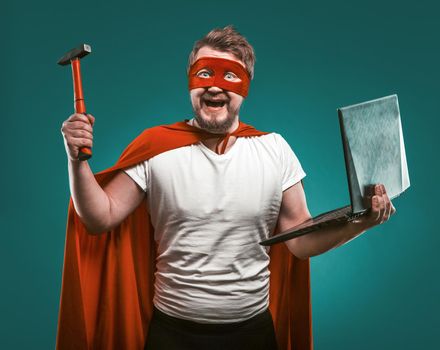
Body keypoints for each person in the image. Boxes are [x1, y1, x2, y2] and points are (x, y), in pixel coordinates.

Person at [58, 26, 395, 350]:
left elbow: (300, 241)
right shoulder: (156, 148)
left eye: (229, 75)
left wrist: (362, 222)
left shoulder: (274, 149)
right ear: (190, 82)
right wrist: (77, 160)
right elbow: (99, 217)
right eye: (204, 74)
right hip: (172, 334)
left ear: (245, 86)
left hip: (253, 334)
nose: (214, 87)